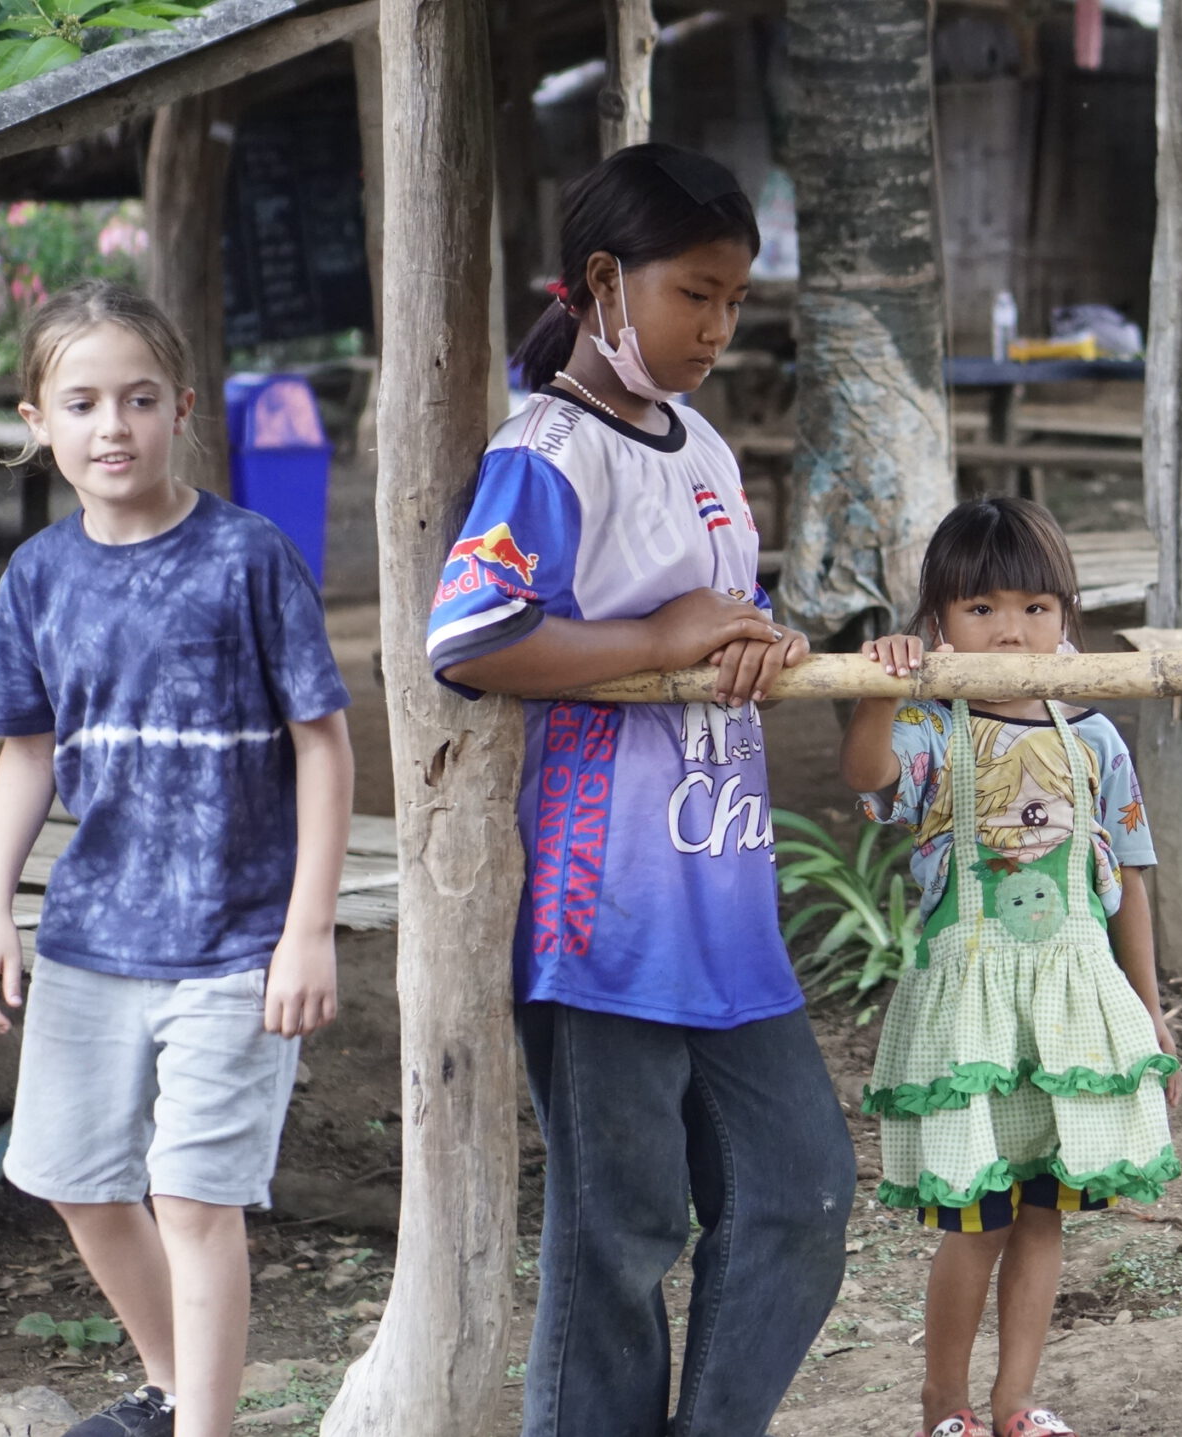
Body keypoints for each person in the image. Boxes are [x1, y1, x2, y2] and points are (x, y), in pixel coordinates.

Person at [426, 143, 855, 1437]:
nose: (719, 328)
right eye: (696, 295)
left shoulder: (705, 445)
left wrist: (757, 639)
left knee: (800, 1191)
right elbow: (473, 636)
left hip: (725, 898)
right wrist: (659, 640)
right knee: (620, 1231)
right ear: (605, 281)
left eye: (735, 300)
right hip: (601, 911)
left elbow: (722, 613)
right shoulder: (548, 451)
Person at [0, 280, 354, 1437]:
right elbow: (28, 752)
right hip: (91, 939)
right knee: (74, 1181)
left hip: (235, 944)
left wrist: (308, 929)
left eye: (138, 398)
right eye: (80, 403)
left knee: (191, 1196)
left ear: (182, 407)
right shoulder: (40, 575)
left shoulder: (247, 556)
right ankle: (176, 1388)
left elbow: (323, 745)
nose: (112, 426)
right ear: (37, 420)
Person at [842, 498, 1182, 1437]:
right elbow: (867, 775)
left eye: (1036, 607)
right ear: (938, 620)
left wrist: (1148, 1010)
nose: (1011, 629)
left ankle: (1014, 1403)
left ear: (1066, 615)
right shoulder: (930, 730)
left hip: (1070, 1009)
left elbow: (1129, 881)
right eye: (982, 607)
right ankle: (943, 1402)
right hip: (973, 1017)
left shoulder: (1094, 736)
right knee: (979, 1218)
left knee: (1042, 1212)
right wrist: (878, 688)